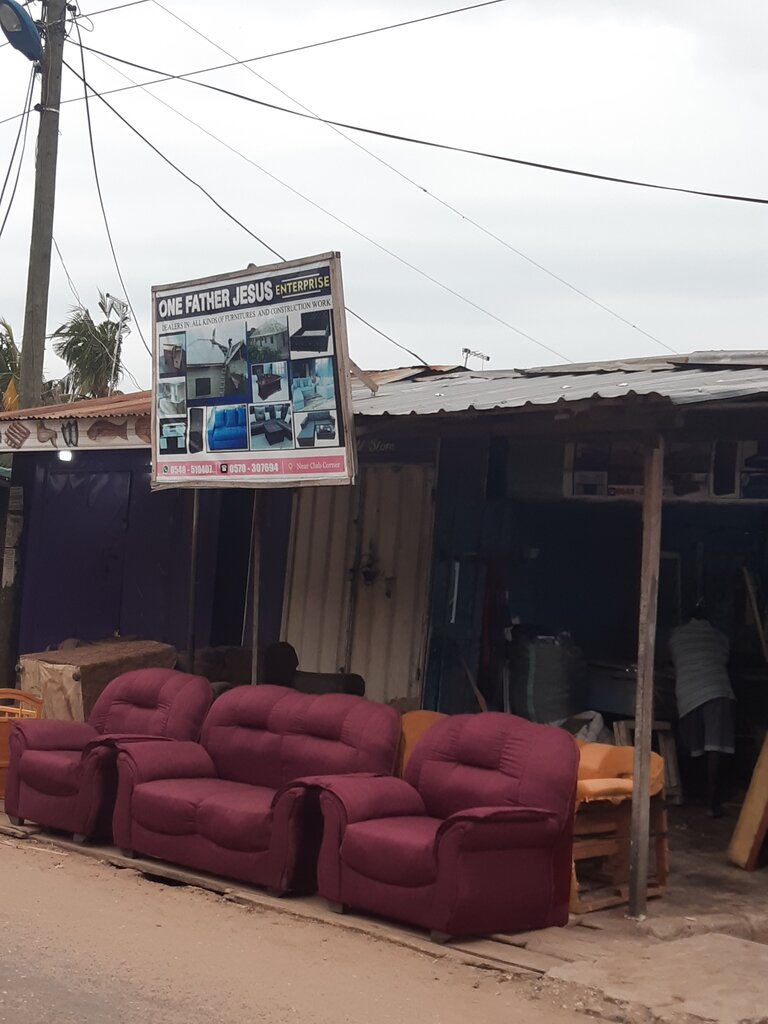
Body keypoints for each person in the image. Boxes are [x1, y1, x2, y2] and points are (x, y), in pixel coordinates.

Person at [669, 602, 735, 817]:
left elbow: (673, 659)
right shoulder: (721, 637)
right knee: (714, 747)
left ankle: (692, 794)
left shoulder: (676, 636)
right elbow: (725, 659)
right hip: (718, 691)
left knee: (693, 748)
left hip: (689, 694)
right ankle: (711, 802)